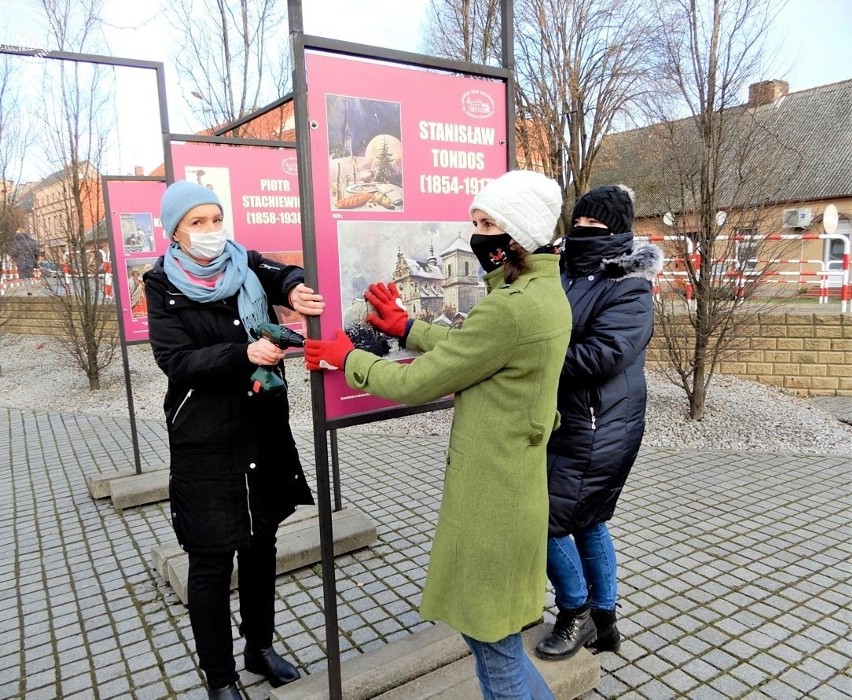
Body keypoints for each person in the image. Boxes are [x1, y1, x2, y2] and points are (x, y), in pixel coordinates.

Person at [305, 170, 571, 699]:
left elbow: (420, 381)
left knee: (495, 653)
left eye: (488, 223)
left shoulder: (511, 308)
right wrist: (405, 327)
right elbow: (474, 348)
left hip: (493, 500)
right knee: (497, 646)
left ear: (518, 232)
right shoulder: (541, 293)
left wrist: (348, 358)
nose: (477, 235)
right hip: (514, 485)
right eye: (474, 221)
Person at [143, 180, 325, 700]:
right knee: (210, 559)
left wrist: (291, 288)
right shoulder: (162, 283)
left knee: (261, 543)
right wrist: (242, 354)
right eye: (197, 223)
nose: (209, 231)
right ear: (175, 231)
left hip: (259, 428)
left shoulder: (241, 260)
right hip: (204, 438)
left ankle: (260, 648)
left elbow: (281, 272)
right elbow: (175, 361)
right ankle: (221, 678)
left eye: (215, 219)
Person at [533, 185, 663, 661]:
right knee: (588, 522)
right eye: (579, 223)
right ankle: (605, 624)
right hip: (570, 420)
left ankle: (577, 612)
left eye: (596, 226)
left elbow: (603, 354)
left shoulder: (629, 285)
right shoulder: (562, 270)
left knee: (542, 522)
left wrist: (529, 359)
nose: (583, 232)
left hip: (601, 427)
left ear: (620, 231)